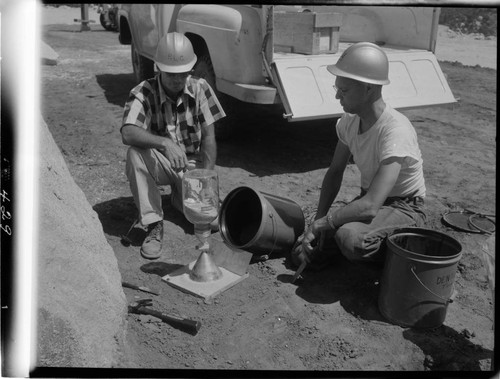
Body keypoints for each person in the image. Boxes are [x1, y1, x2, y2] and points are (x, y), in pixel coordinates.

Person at [293, 42, 426, 269]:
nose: (337, 97)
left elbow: (371, 205)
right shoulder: (349, 122)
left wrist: (324, 224)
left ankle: (406, 252)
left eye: (344, 91)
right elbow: (335, 172)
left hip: (404, 207)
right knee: (309, 249)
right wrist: (319, 219)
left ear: (368, 88)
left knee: (351, 239)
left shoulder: (395, 130)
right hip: (370, 201)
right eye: (337, 89)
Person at [121, 32, 225, 260]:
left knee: (214, 222)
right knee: (135, 154)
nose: (178, 80)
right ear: (158, 68)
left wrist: (206, 180)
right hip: (161, 162)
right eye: (171, 74)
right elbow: (128, 132)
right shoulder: (143, 92)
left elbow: (209, 137)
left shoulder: (201, 88)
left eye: (183, 74)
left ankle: (180, 197)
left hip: (192, 167)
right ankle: (153, 224)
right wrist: (164, 143)